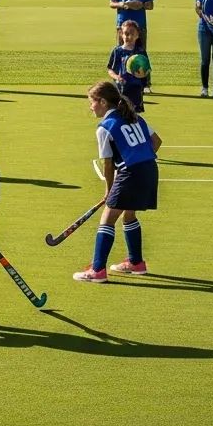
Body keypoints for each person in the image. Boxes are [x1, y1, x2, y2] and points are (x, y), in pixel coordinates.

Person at [74, 81, 160, 283]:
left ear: (102, 102)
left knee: (107, 218)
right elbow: (157, 142)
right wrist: (141, 157)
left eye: (92, 102)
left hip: (130, 173)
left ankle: (97, 271)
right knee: (129, 214)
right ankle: (136, 263)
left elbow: (108, 164)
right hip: (150, 169)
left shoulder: (105, 127)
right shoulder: (134, 117)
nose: (90, 107)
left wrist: (108, 191)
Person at [110, 0, 155, 92]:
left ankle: (144, 84)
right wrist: (123, 5)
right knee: (120, 54)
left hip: (139, 25)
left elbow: (150, 5)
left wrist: (140, 4)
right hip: (122, 25)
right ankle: (118, 81)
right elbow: (112, 3)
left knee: (141, 54)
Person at [106, 19, 147, 113]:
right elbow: (110, 69)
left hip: (135, 89)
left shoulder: (140, 52)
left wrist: (143, 81)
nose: (129, 36)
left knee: (134, 114)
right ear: (121, 34)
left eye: (132, 33)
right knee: (120, 112)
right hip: (120, 88)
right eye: (126, 33)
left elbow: (145, 70)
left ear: (137, 35)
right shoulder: (117, 51)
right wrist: (117, 77)